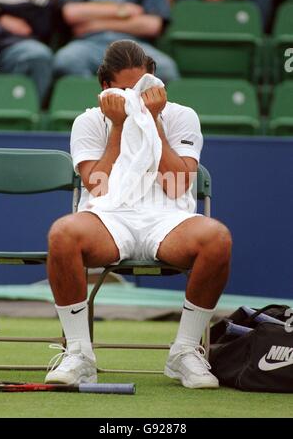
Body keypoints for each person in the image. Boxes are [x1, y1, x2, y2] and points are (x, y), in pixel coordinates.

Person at [45, 39, 232, 389]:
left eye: (144, 87)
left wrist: (155, 122)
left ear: (155, 82)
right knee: (62, 234)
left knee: (217, 238)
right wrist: (118, 127)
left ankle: (185, 352)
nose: (137, 96)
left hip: (167, 219)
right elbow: (98, 187)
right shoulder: (87, 122)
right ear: (105, 88)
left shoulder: (181, 116)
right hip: (109, 216)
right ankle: (79, 353)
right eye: (126, 90)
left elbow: (177, 186)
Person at [53, 0, 179, 84]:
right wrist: (124, 10)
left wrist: (96, 23)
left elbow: (153, 24)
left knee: (165, 69)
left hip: (134, 46)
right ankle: (95, 104)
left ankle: (135, 106)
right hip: (89, 42)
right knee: (66, 60)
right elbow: (71, 13)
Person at [0, 0, 59, 104]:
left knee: (37, 56)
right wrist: (0, 16)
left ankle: (25, 120)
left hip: (13, 46)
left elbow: (37, 17)